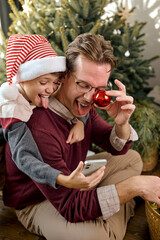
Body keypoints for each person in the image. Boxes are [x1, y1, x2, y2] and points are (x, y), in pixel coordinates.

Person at [3, 33, 160, 240]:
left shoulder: (80, 106)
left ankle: (107, 204)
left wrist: (122, 123)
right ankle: (116, 209)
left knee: (132, 159)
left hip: (73, 175)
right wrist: (133, 187)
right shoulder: (37, 126)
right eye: (83, 84)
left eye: (98, 89)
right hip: (39, 199)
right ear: (64, 75)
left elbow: (117, 147)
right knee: (100, 236)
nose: (89, 97)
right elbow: (69, 205)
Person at [0, 34, 104, 190]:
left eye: (55, 82)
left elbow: (77, 101)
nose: (50, 89)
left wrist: (80, 122)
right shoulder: (13, 112)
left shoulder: (39, 94)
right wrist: (61, 179)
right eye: (43, 82)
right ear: (23, 79)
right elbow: (25, 157)